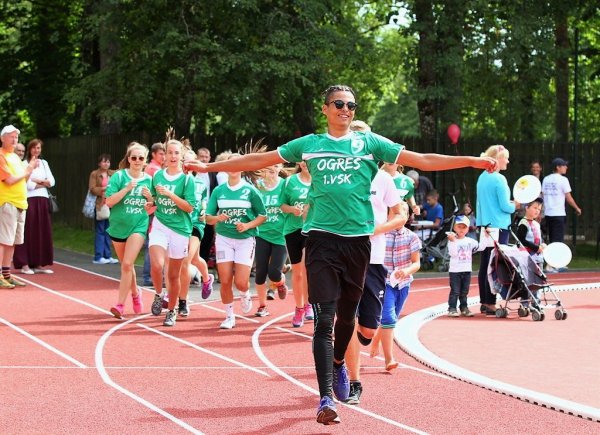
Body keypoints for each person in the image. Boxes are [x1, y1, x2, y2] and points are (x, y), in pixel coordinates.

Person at [184, 84, 497, 425]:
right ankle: (325, 397)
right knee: (325, 321)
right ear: (326, 108)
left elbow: (421, 160)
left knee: (348, 319)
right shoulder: (311, 145)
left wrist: (473, 161)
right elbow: (262, 159)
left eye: (351, 105)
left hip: (357, 244)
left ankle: (338, 366)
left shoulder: (369, 144)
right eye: (339, 104)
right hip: (320, 240)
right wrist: (207, 169)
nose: (346, 109)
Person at [343, 119, 406, 404]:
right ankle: (353, 380)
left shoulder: (383, 178)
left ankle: (354, 341)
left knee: (368, 328)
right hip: (344, 256)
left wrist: (375, 229)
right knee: (344, 319)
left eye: (363, 138)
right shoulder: (338, 175)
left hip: (375, 259)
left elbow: (400, 214)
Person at [205, 153, 266, 329]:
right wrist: (218, 218)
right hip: (224, 238)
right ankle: (229, 316)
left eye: (237, 163)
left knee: (240, 282)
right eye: (230, 163)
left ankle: (245, 293)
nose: (233, 167)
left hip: (245, 240)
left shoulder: (250, 190)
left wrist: (247, 226)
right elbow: (208, 218)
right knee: (225, 280)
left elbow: (263, 215)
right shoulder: (219, 191)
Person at [148, 140, 196, 327]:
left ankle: (172, 310)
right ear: (165, 156)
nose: (173, 156)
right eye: (170, 153)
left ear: (181, 156)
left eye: (177, 153)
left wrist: (170, 195)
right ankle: (159, 294)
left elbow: (189, 207)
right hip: (160, 225)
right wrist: (149, 204)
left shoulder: (187, 180)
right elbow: (153, 201)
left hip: (179, 230)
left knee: (174, 275)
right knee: (157, 265)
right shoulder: (158, 176)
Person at [105, 143, 153, 318]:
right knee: (127, 265)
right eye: (134, 158)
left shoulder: (149, 180)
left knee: (126, 264)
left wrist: (150, 199)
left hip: (138, 225)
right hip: (118, 226)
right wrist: (126, 189)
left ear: (145, 160)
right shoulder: (118, 177)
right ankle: (135, 293)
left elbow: (154, 207)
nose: (137, 161)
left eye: (141, 158)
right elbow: (109, 202)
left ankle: (120, 305)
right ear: (128, 159)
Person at [370, 211, 421, 371]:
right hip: (385, 283)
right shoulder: (382, 234)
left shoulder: (412, 237)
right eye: (394, 212)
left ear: (407, 217)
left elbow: (416, 263)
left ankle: (378, 337)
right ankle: (389, 359)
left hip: (403, 284)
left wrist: (406, 271)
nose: (398, 216)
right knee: (389, 318)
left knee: (392, 320)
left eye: (402, 213)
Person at [476, 145, 518, 315]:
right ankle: (492, 302)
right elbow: (505, 206)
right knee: (496, 265)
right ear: (497, 159)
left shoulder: (482, 177)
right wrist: (515, 204)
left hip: (485, 225)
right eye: (505, 157)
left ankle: (485, 301)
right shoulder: (499, 179)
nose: (507, 160)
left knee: (485, 263)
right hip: (499, 226)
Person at [177, 148, 214, 317]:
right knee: (195, 259)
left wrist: (203, 210)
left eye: (192, 162)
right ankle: (207, 278)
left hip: (195, 225)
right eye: (186, 161)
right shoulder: (177, 181)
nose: (188, 165)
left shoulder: (200, 183)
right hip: (178, 224)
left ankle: (182, 302)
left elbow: (204, 201)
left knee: (186, 260)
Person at [0, 125, 37, 289]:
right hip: (7, 202)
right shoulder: (1, 156)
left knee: (12, 242)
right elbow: (9, 180)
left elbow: (24, 179)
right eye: (11, 136)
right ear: (2, 138)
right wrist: (27, 169)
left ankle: (6, 274)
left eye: (16, 137)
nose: (14, 140)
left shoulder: (15, 157)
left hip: (21, 203)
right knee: (3, 241)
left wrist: (30, 169)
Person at [13, 139, 55, 274]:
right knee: (27, 231)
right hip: (29, 201)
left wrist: (38, 181)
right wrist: (43, 182)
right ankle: (24, 263)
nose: (36, 150)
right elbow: (28, 185)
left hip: (43, 200)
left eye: (39, 148)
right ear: (30, 149)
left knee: (41, 231)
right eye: (34, 148)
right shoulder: (24, 164)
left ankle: (38, 263)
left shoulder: (44, 163)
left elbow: (52, 182)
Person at [253, 163, 288, 317]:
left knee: (274, 273)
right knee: (260, 272)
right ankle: (262, 306)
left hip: (281, 235)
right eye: (269, 165)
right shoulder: (257, 185)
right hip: (261, 233)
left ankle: (280, 282)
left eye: (276, 166)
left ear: (280, 168)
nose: (272, 168)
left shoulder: (285, 185)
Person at [280, 161, 313, 327]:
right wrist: (293, 209)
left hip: (311, 229)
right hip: (292, 230)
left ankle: (308, 304)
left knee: (308, 269)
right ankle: (299, 307)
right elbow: (282, 205)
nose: (305, 163)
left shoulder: (319, 179)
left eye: (309, 160)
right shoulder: (290, 181)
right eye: (303, 160)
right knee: (298, 272)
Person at [541, 158, 581, 251]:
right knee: (558, 240)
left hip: (548, 213)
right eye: (564, 165)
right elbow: (568, 197)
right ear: (558, 167)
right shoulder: (563, 180)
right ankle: (555, 263)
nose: (566, 167)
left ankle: (551, 262)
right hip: (559, 213)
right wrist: (577, 208)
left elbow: (543, 195)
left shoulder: (546, 179)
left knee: (551, 238)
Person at [141, 142, 166, 286]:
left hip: (156, 209)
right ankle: (148, 275)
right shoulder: (153, 169)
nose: (163, 156)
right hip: (152, 210)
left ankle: (151, 274)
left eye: (164, 153)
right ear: (153, 155)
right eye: (161, 154)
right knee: (152, 243)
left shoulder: (159, 169)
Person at [446, 215, 479, 317]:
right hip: (455, 271)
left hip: (466, 270)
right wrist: (452, 241)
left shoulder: (470, 241)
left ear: (468, 229)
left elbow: (480, 246)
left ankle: (464, 307)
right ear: (454, 227)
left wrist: (486, 236)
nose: (461, 229)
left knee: (464, 291)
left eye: (464, 227)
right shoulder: (452, 240)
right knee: (455, 291)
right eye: (459, 227)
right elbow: (453, 253)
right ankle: (452, 308)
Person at [89, 154, 118, 265]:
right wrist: (103, 189)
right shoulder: (94, 174)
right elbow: (92, 189)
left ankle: (108, 255)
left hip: (111, 205)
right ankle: (98, 256)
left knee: (108, 231)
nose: (106, 164)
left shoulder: (112, 174)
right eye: (104, 161)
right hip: (100, 205)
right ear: (99, 163)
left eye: (108, 162)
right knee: (100, 230)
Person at [196, 147, 219, 265]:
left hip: (208, 212)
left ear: (210, 158)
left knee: (207, 240)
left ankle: (201, 269)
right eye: (201, 156)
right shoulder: (193, 172)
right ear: (197, 157)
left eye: (206, 157)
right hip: (194, 212)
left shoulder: (212, 174)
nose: (204, 159)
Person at [516, 197, 546, 270]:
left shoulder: (537, 224)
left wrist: (543, 245)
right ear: (527, 208)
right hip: (526, 259)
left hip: (538, 259)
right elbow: (521, 240)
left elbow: (540, 239)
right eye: (535, 208)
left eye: (539, 209)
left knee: (539, 280)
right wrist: (536, 248)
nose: (537, 211)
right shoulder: (523, 223)